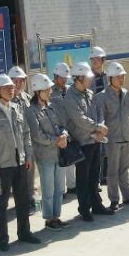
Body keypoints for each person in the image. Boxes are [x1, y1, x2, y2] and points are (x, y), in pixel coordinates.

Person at [0, 73, 41, 251]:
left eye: (12, 87)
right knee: (1, 203)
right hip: (1, 167)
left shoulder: (17, 108)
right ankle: (3, 238)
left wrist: (28, 156)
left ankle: (24, 232)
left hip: (20, 162)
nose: (11, 90)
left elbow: (26, 134)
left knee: (23, 200)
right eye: (6, 88)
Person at [64, 63, 112, 221]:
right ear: (78, 78)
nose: (90, 81)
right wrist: (97, 128)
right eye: (87, 78)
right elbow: (79, 119)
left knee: (94, 175)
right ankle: (84, 208)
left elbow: (99, 111)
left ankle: (96, 204)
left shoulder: (90, 94)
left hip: (95, 140)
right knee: (83, 178)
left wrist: (100, 128)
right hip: (83, 142)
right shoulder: (70, 97)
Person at [94, 62, 129, 210]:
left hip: (126, 136)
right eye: (118, 77)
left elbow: (126, 114)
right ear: (110, 78)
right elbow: (100, 119)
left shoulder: (126, 93)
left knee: (124, 169)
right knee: (113, 171)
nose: (122, 79)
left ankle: (127, 196)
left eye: (123, 76)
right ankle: (114, 199)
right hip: (113, 139)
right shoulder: (102, 97)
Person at [27, 73, 70, 229]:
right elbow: (37, 135)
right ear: (37, 91)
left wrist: (64, 135)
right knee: (48, 188)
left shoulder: (52, 106)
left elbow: (63, 125)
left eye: (49, 89)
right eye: (46, 90)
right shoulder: (31, 111)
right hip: (45, 155)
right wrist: (56, 140)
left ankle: (56, 216)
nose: (50, 92)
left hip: (59, 154)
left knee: (59, 188)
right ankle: (49, 219)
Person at [8, 65, 35, 207]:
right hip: (13, 143)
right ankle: (20, 200)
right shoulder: (7, 100)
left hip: (27, 141)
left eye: (21, 81)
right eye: (15, 81)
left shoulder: (28, 98)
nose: (18, 84)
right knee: (16, 174)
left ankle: (29, 197)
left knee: (29, 170)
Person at [51, 62, 76, 194]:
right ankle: (60, 190)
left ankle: (72, 185)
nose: (65, 80)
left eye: (66, 78)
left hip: (71, 128)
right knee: (60, 161)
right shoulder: (49, 91)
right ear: (55, 76)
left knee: (71, 157)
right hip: (57, 130)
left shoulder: (70, 90)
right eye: (62, 78)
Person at [88, 46, 109, 185]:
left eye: (97, 58)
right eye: (92, 59)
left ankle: (105, 176)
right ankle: (95, 180)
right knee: (97, 148)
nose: (94, 61)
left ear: (103, 60)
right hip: (95, 117)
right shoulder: (88, 78)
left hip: (108, 115)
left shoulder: (108, 76)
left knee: (107, 147)